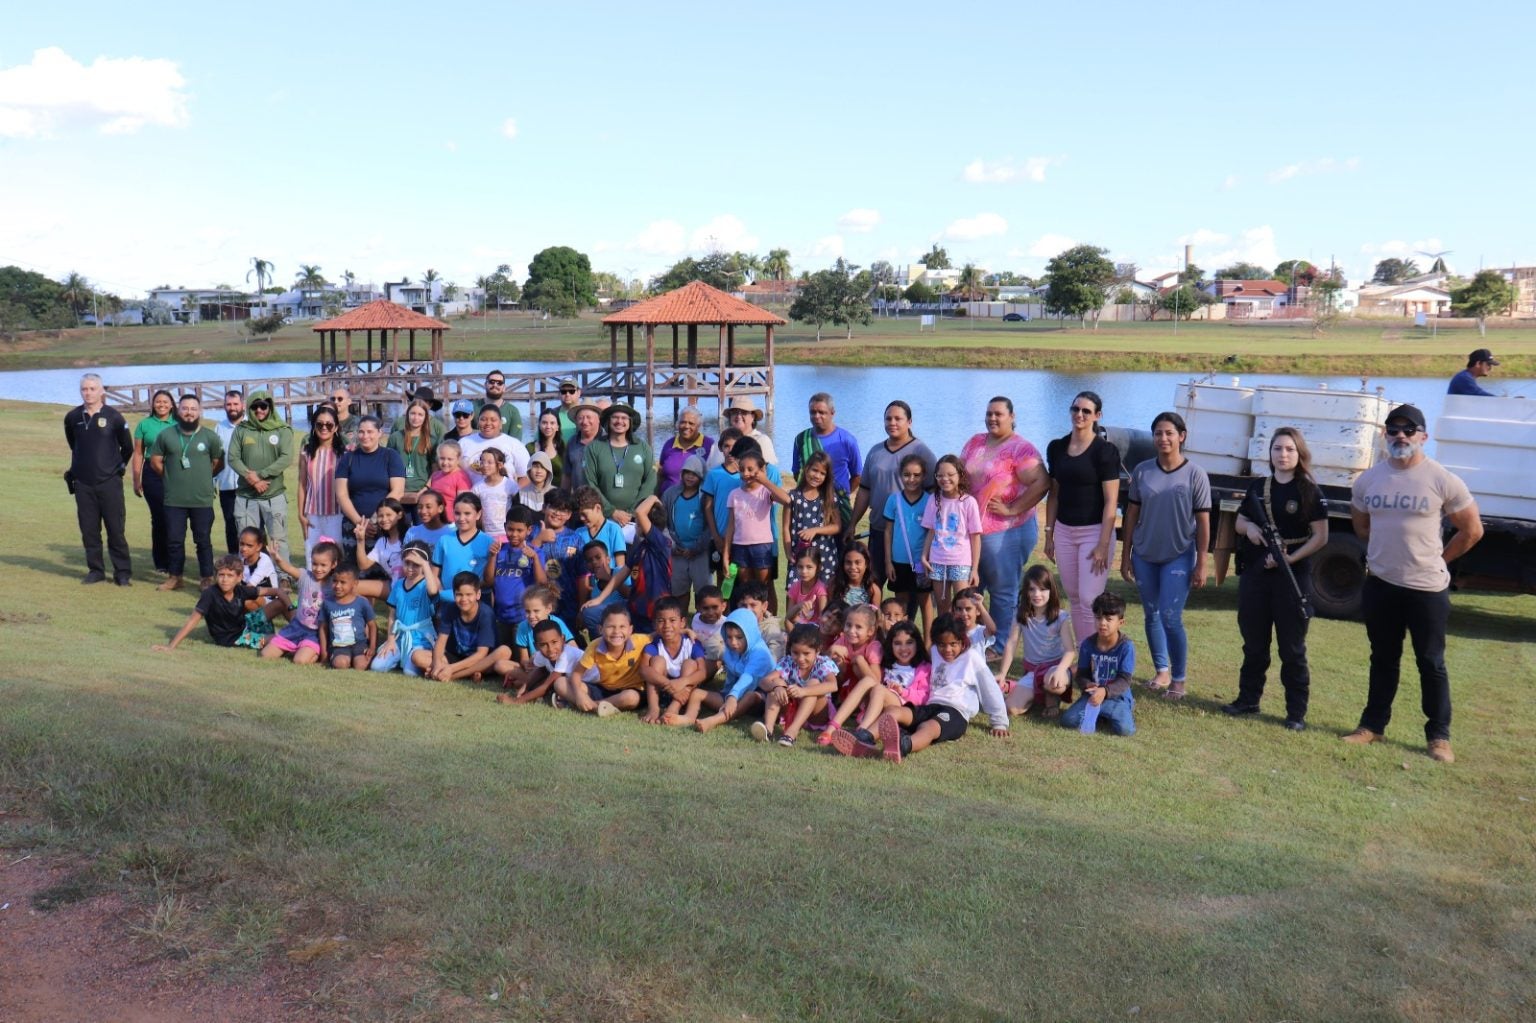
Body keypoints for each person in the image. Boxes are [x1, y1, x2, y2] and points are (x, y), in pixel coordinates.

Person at [1344, 404, 1483, 764]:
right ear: (1385, 435)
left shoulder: (1442, 479)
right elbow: (1361, 525)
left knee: (1431, 662)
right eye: (1393, 430)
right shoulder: (1368, 480)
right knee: (1383, 659)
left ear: (1424, 436)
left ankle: (1439, 737)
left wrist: (1440, 560)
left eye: (1409, 430)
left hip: (1426, 589)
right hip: (1381, 585)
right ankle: (1371, 726)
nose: (1400, 436)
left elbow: (1472, 530)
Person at [1223, 428, 1329, 730]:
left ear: (1300, 454)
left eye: (1289, 449)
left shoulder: (1309, 491)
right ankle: (1248, 700)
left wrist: (1289, 558)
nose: (1283, 455)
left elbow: (1321, 537)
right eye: (1278, 449)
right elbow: (1241, 520)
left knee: (1292, 649)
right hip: (1257, 575)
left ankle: (1296, 714)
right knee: (1254, 643)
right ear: (1269, 453)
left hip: (1292, 577)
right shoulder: (1258, 487)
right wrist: (1251, 531)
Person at [1119, 411, 1211, 701]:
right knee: (1152, 614)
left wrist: (1202, 563)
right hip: (1145, 554)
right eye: (1158, 433)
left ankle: (1179, 680)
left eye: (1169, 433)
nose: (1163, 438)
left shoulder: (1195, 474)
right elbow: (1131, 515)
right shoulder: (1143, 471)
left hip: (1179, 555)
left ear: (1181, 436)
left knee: (1171, 617)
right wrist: (1126, 555)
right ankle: (1162, 671)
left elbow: (1204, 522)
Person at [961, 396, 1049, 648]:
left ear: (1012, 417)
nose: (992, 418)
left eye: (999, 414)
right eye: (989, 413)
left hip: (1006, 531)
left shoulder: (1021, 449)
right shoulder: (976, 441)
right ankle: (973, 640)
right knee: (974, 585)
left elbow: (1042, 482)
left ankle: (1000, 645)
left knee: (1003, 590)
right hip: (974, 529)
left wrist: (1012, 508)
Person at [866, 614, 1009, 763]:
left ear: (963, 641)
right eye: (942, 644)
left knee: (928, 727)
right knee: (893, 711)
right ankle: (865, 737)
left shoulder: (972, 658)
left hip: (955, 712)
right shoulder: (934, 651)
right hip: (931, 706)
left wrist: (999, 722)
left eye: (953, 644)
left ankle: (902, 746)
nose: (947, 649)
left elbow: (990, 690)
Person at [1044, 391, 1121, 648]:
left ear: (1097, 416)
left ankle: (1096, 653)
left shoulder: (1106, 452)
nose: (1079, 415)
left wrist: (1103, 543)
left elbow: (1111, 501)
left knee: (1090, 598)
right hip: (1065, 532)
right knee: (1075, 598)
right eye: (1075, 409)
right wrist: (1049, 534)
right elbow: (1053, 494)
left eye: (1086, 411)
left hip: (1094, 531)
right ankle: (1083, 654)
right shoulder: (1056, 447)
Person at [848, 400, 936, 588]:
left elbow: (935, 492)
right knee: (872, 583)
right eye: (888, 418)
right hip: (880, 530)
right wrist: (852, 523)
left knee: (910, 591)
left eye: (898, 418)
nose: (892, 423)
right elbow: (864, 490)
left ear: (909, 422)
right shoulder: (876, 451)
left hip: (911, 536)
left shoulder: (921, 451)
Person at [150, 394, 224, 591]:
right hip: (174, 499)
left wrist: (203, 478)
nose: (189, 412)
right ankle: (175, 577)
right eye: (185, 408)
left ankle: (207, 577)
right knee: (174, 540)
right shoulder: (166, 435)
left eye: (193, 409)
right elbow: (155, 460)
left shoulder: (210, 436)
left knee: (203, 540)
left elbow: (217, 463)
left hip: (202, 499)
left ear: (199, 411)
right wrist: (170, 477)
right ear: (178, 410)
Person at [67, 373, 134, 586]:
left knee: (115, 529)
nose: (88, 393)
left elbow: (128, 447)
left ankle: (122, 572)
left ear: (101, 390)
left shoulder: (114, 417)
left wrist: (116, 468)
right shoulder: (72, 417)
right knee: (89, 530)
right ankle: (96, 570)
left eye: (92, 389)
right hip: (83, 484)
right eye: (84, 389)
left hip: (109, 483)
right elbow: (73, 444)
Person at [827, 619, 931, 752]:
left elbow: (924, 697)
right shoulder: (887, 664)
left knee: (879, 689)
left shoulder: (924, 668)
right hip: (878, 704)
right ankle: (832, 727)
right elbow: (874, 681)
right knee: (868, 681)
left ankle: (863, 733)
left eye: (909, 643)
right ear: (891, 645)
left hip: (903, 708)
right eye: (897, 643)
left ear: (918, 643)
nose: (904, 648)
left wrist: (903, 691)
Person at [673, 608, 778, 732]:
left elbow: (748, 678)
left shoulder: (760, 653)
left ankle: (714, 720)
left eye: (739, 637)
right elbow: (731, 675)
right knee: (697, 693)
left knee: (750, 696)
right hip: (735, 694)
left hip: (760, 697)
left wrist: (732, 697)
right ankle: (688, 717)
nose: (733, 642)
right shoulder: (730, 650)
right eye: (729, 637)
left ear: (750, 634)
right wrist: (727, 695)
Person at [228, 389, 295, 569]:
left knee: (277, 539)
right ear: (250, 407)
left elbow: (286, 458)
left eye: (263, 406)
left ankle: (283, 577)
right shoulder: (242, 429)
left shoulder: (283, 430)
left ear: (270, 407)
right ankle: (250, 576)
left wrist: (260, 475)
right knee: (246, 541)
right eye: (255, 406)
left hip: (274, 496)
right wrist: (252, 479)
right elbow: (233, 457)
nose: (259, 410)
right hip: (246, 497)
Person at [153, 554, 276, 651]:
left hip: (246, 626)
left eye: (230, 575)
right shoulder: (209, 594)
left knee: (280, 604)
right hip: (236, 639)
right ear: (216, 576)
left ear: (239, 578)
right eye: (221, 575)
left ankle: (293, 631)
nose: (225, 579)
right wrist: (171, 646)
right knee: (277, 640)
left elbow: (270, 591)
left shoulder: (240, 589)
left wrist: (285, 598)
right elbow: (192, 621)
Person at [998, 565, 1076, 718]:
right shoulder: (1020, 615)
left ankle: (1051, 700)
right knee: (1011, 709)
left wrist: (1060, 670)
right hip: (1033, 671)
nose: (1037, 594)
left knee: (1054, 683)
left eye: (1042, 589)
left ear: (1051, 591)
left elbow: (1070, 650)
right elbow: (1012, 643)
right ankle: (1022, 688)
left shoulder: (1060, 617)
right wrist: (1002, 672)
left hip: (1054, 668)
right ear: (1026, 592)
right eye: (1032, 589)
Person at [1059, 591, 1137, 737]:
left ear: (1121, 622)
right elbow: (1082, 674)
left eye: (1108, 619)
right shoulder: (1088, 644)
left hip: (1116, 697)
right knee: (1068, 721)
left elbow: (1124, 680)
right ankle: (1101, 713)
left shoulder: (1126, 647)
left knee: (1125, 730)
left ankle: (1124, 707)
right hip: (1092, 696)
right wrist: (1087, 684)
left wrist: (1105, 691)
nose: (1102, 623)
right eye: (1098, 618)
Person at [723, 448, 794, 599]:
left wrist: (765, 481)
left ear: (761, 470)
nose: (745, 474)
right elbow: (730, 527)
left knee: (763, 589)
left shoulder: (765, 492)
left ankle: (765, 620)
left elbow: (787, 500)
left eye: (750, 469)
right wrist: (725, 554)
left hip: (762, 546)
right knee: (745, 588)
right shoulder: (734, 495)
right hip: (739, 546)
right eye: (742, 470)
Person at [555, 605, 649, 717]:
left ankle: (591, 706)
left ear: (630, 630)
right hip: (604, 689)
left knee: (631, 698)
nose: (616, 631)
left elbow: (657, 635)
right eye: (611, 627)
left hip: (631, 690)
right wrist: (580, 695)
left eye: (622, 627)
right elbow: (576, 674)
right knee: (560, 683)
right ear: (600, 629)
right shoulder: (595, 646)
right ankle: (595, 706)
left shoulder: (640, 641)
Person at [756, 623, 839, 747]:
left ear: (817, 650)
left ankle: (792, 732)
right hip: (794, 708)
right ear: (790, 649)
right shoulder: (788, 662)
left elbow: (833, 685)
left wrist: (804, 691)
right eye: (795, 652)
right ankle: (768, 730)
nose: (800, 658)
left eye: (806, 653)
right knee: (777, 683)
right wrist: (777, 687)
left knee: (813, 684)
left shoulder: (823, 663)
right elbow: (764, 681)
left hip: (818, 713)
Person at [260, 539, 342, 665]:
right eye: (315, 564)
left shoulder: (335, 584)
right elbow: (288, 568)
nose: (318, 569)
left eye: (323, 565)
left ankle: (312, 651)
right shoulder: (305, 576)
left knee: (300, 660)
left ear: (334, 564)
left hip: (316, 633)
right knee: (266, 654)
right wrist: (277, 558)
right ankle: (294, 646)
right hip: (296, 627)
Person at [922, 454, 983, 615]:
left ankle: (964, 639)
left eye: (950, 475)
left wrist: (974, 569)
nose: (945, 479)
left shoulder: (968, 502)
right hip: (937, 561)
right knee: (942, 608)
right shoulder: (933, 500)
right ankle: (945, 639)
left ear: (960, 475)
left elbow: (975, 537)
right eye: (940, 475)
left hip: (960, 562)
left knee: (963, 607)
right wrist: (924, 556)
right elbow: (931, 530)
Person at [334, 416, 406, 552]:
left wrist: (375, 519)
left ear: (380, 433)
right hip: (354, 525)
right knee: (354, 569)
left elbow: (397, 491)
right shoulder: (348, 459)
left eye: (370, 432)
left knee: (385, 569)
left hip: (384, 524)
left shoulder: (391, 456)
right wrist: (360, 523)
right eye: (361, 432)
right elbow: (342, 495)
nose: (365, 436)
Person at [423, 571, 511, 682]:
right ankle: (466, 673)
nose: (464, 599)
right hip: (456, 657)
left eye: (469, 595)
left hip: (480, 660)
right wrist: (436, 666)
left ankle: (454, 675)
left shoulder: (486, 614)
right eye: (459, 595)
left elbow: (481, 654)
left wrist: (450, 669)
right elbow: (440, 643)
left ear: (478, 595)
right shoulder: (450, 609)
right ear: (454, 594)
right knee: (417, 656)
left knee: (504, 651)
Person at [370, 540, 440, 676]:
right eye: (407, 563)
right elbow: (392, 615)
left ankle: (421, 660)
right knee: (377, 667)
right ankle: (399, 658)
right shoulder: (399, 585)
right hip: (400, 637)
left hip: (420, 639)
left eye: (416, 564)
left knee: (410, 672)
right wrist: (390, 640)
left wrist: (425, 564)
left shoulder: (427, 583)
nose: (410, 568)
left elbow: (433, 591)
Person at [790, 392, 861, 526]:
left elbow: (857, 475)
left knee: (843, 545)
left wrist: (839, 494)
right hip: (809, 507)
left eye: (822, 412)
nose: (816, 416)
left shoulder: (847, 440)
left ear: (832, 413)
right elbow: (797, 473)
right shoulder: (801, 440)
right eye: (813, 412)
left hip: (839, 507)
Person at [582, 403, 656, 529]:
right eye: (615, 417)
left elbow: (650, 480)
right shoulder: (594, 448)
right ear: (608, 421)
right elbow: (590, 483)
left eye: (624, 418)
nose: (619, 421)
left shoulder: (643, 447)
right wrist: (611, 511)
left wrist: (633, 511)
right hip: (602, 518)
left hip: (637, 518)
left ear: (630, 422)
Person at [882, 453, 935, 632]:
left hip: (922, 563)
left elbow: (932, 532)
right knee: (900, 606)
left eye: (916, 475)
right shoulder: (893, 500)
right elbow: (888, 531)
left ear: (924, 476)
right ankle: (902, 640)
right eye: (906, 475)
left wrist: (928, 559)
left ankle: (928, 646)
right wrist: (888, 562)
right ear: (900, 475)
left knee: (925, 603)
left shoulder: (929, 501)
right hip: (899, 561)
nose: (911, 479)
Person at [638, 596, 709, 725]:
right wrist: (669, 686)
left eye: (672, 620)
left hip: (685, 692)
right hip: (663, 691)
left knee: (690, 664)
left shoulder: (691, 643)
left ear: (682, 622)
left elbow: (703, 672)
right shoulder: (654, 645)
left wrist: (683, 682)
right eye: (661, 621)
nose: (667, 626)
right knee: (656, 662)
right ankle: (654, 708)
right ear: (654, 624)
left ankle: (673, 708)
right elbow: (643, 669)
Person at [131, 389, 176, 575]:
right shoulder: (144, 424)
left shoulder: (179, 424)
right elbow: (139, 453)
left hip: (175, 472)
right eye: (158, 401)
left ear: (172, 405)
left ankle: (176, 561)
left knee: (175, 518)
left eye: (165, 402)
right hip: (151, 474)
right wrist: (136, 478)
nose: (162, 404)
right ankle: (161, 562)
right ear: (153, 404)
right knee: (159, 518)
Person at [661, 453, 711, 611]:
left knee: (703, 591)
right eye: (687, 473)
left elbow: (710, 525)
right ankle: (680, 617)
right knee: (678, 589)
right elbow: (662, 522)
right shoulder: (670, 494)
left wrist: (697, 547)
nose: (690, 477)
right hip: (677, 551)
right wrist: (673, 545)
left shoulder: (705, 496)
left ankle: (701, 619)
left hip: (699, 552)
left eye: (694, 474)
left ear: (701, 476)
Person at [786, 451, 842, 588]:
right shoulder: (793, 496)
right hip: (798, 556)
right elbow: (785, 527)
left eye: (822, 473)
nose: (817, 476)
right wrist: (788, 553)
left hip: (824, 556)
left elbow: (837, 526)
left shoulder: (829, 498)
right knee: (795, 593)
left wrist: (815, 530)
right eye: (814, 470)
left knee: (823, 596)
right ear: (806, 469)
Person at [295, 405, 345, 559]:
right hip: (313, 513)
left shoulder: (345, 453)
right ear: (314, 426)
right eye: (319, 424)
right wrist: (301, 514)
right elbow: (302, 484)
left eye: (329, 425)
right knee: (313, 554)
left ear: (336, 427)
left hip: (337, 513)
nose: (324, 428)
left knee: (337, 555)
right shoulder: (306, 451)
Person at [432, 493, 493, 608]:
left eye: (467, 514)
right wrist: (443, 594)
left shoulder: (488, 542)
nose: (461, 518)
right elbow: (434, 574)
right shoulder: (444, 541)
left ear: (478, 514)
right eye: (457, 513)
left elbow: (489, 580)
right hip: (448, 602)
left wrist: (467, 592)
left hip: (477, 602)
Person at [319, 565, 377, 671]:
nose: (337, 585)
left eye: (343, 582)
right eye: (335, 581)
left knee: (361, 665)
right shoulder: (327, 603)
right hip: (338, 646)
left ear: (355, 583)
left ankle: (356, 659)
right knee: (340, 664)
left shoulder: (362, 602)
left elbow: (372, 625)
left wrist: (372, 647)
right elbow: (323, 628)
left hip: (359, 644)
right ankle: (341, 659)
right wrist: (324, 652)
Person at [387, 399, 438, 516]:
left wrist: (425, 489)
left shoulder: (432, 440)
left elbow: (435, 469)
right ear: (407, 415)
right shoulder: (395, 437)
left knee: (421, 532)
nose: (416, 418)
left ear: (426, 417)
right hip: (399, 492)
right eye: (413, 413)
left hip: (422, 492)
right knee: (402, 531)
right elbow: (388, 465)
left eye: (420, 414)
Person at [460, 406, 529, 487]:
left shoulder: (514, 444)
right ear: (478, 422)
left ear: (500, 424)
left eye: (493, 420)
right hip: (471, 496)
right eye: (483, 419)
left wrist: (513, 493)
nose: (488, 423)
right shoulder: (464, 443)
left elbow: (527, 476)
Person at [213, 389, 245, 553]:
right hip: (227, 486)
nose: (232, 407)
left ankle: (260, 564)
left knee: (254, 526)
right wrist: (212, 483)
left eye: (235, 404)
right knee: (231, 524)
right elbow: (214, 458)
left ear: (243, 405)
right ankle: (234, 561)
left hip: (249, 486)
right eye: (228, 404)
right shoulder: (219, 428)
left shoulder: (252, 426)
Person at [707, 396, 777, 469]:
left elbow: (770, 471)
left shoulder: (762, 440)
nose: (739, 416)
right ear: (730, 417)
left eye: (744, 412)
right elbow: (710, 469)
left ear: (752, 417)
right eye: (735, 412)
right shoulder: (720, 440)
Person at [657, 405, 714, 494]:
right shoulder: (669, 444)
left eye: (691, 423)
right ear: (677, 424)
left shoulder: (709, 445)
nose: (686, 426)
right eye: (683, 422)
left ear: (698, 426)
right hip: (666, 501)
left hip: (696, 502)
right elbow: (660, 474)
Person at [562, 403, 603, 493]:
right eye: (580, 418)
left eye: (589, 417)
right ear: (576, 421)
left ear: (598, 419)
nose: (584, 422)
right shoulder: (572, 442)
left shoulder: (607, 441)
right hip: (577, 498)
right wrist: (563, 498)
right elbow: (567, 474)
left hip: (602, 500)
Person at [527, 409, 567, 488]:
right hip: (535, 495)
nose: (548, 426)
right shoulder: (529, 448)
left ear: (557, 427)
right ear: (539, 425)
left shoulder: (565, 447)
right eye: (544, 423)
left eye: (552, 423)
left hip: (559, 496)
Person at [479, 369, 523, 439]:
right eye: (491, 382)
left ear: (504, 388)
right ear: (485, 385)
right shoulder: (473, 407)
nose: (495, 385)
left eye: (499, 383)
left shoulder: (513, 411)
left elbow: (516, 442)